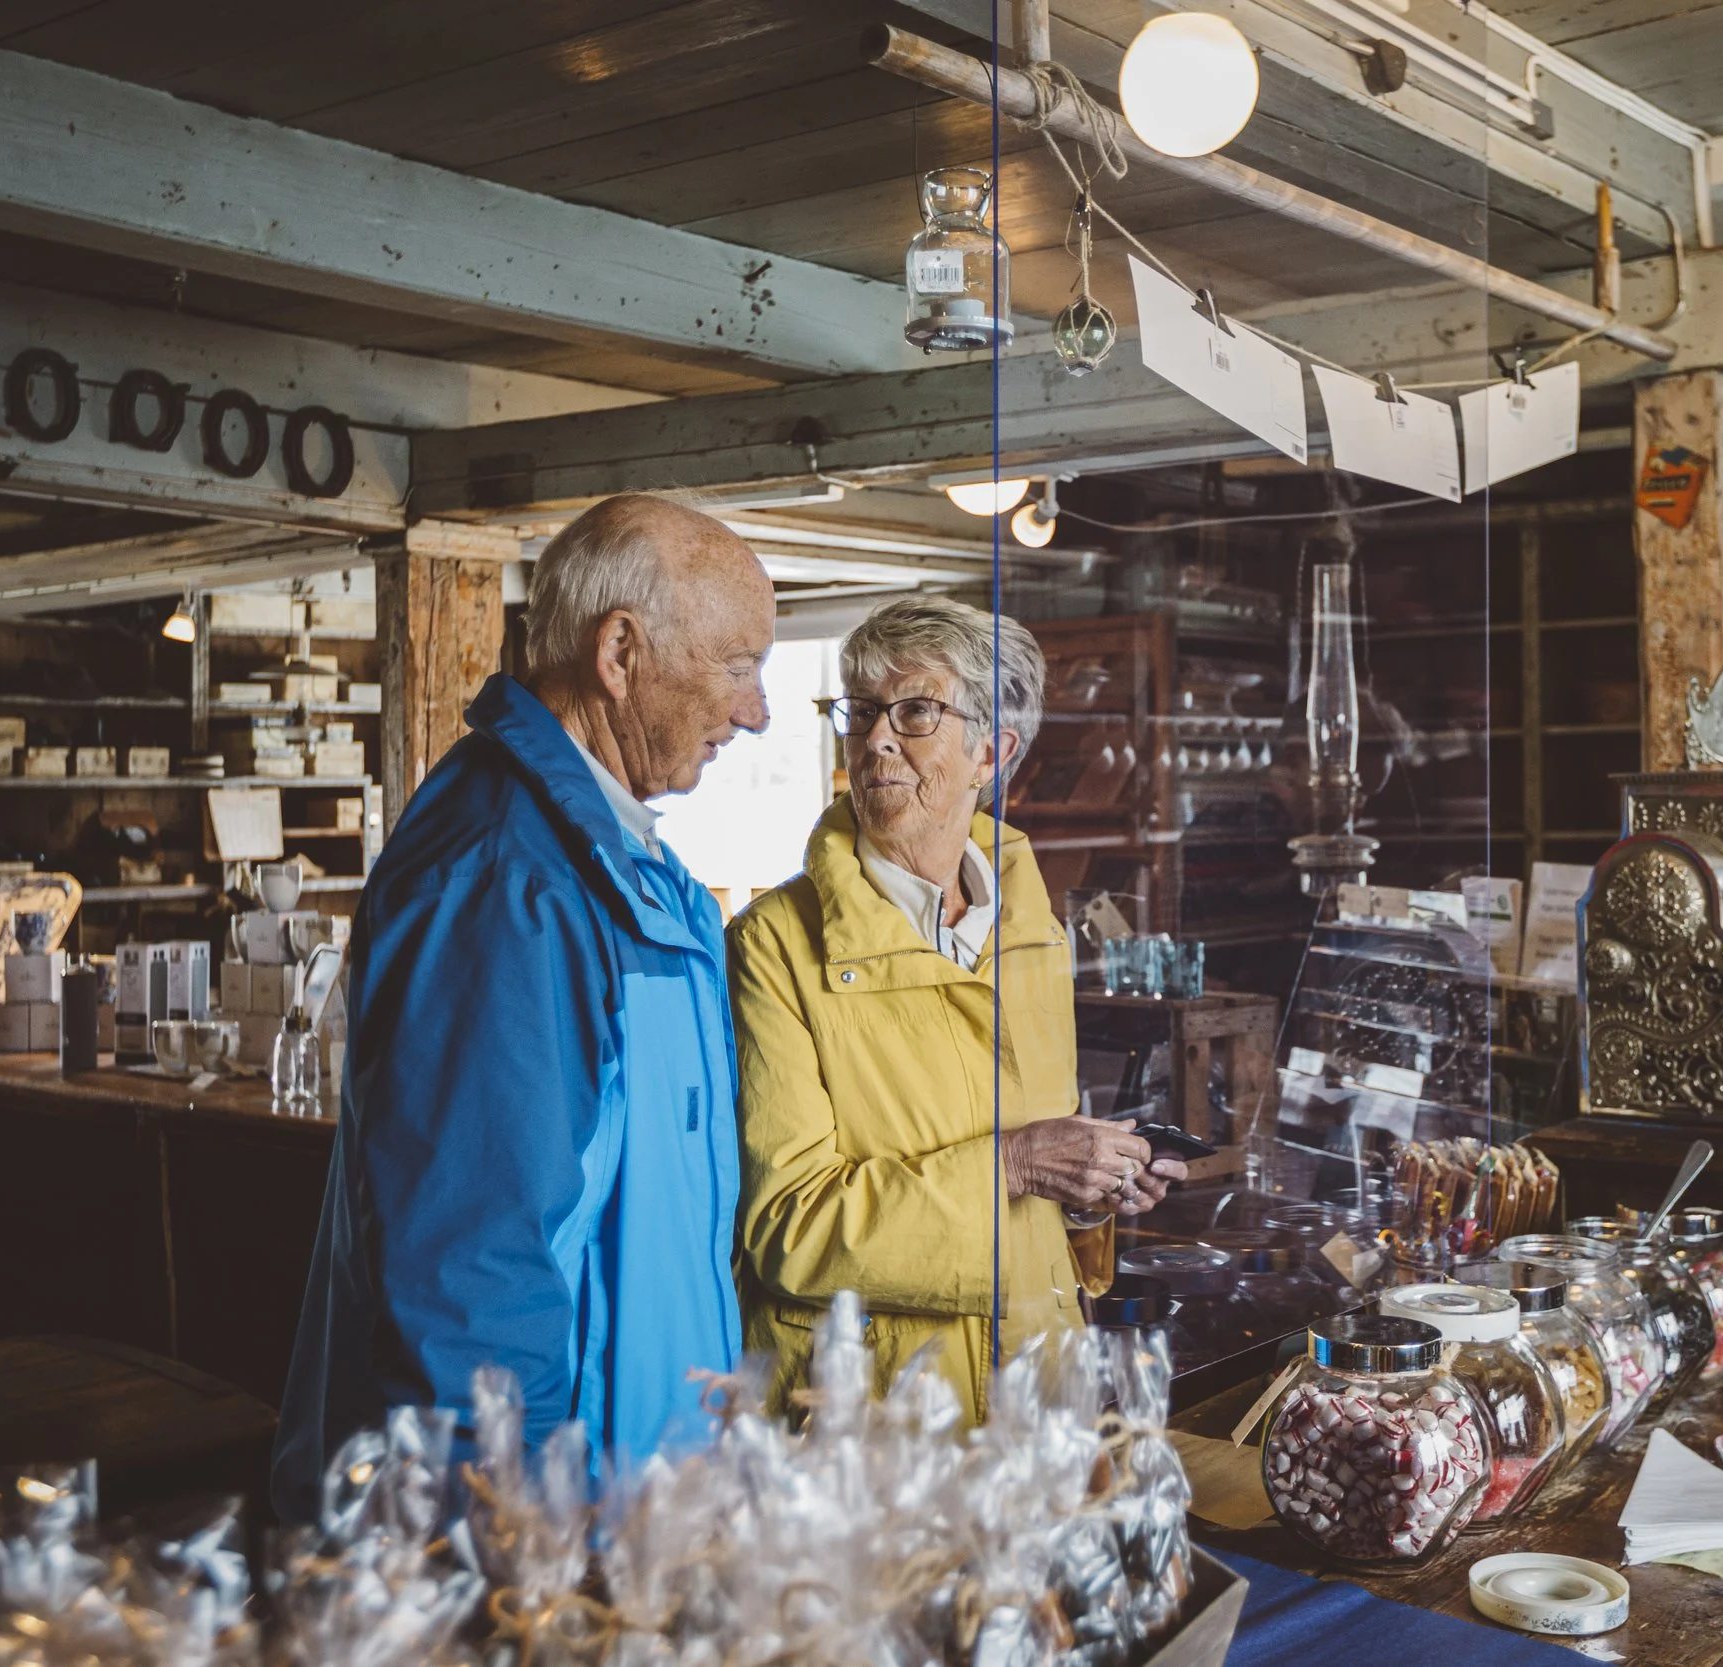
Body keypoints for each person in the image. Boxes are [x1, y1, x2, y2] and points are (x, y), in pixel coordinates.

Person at [272, 493, 776, 1519]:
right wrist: (518, 1551)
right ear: (620, 651)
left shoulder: (620, 866)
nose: (757, 710)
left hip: (638, 1508)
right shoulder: (506, 881)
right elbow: (472, 1279)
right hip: (545, 1530)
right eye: (736, 666)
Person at [727, 596, 1187, 1424]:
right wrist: (1013, 1165)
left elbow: (1039, 1185)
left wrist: (1088, 1189)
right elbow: (791, 1228)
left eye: (914, 712)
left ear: (991, 751)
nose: (874, 740)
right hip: (874, 1424)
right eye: (861, 711)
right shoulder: (773, 944)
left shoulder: (1033, 930)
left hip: (1038, 1401)